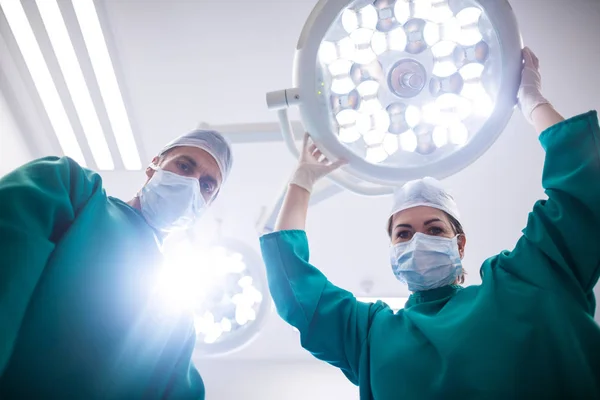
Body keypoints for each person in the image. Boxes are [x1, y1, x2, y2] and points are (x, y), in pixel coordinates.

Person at [260, 47, 600, 398]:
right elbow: (293, 285)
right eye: (403, 234)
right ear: (391, 250)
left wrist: (531, 100)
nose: (418, 240)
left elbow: (586, 185)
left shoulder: (521, 285)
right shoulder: (370, 334)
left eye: (435, 229)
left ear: (460, 242)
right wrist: (301, 182)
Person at [0, 129, 233, 399]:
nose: (191, 184)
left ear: (208, 204)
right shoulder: (71, 188)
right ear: (154, 165)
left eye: (206, 185)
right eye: (184, 165)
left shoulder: (177, 325)